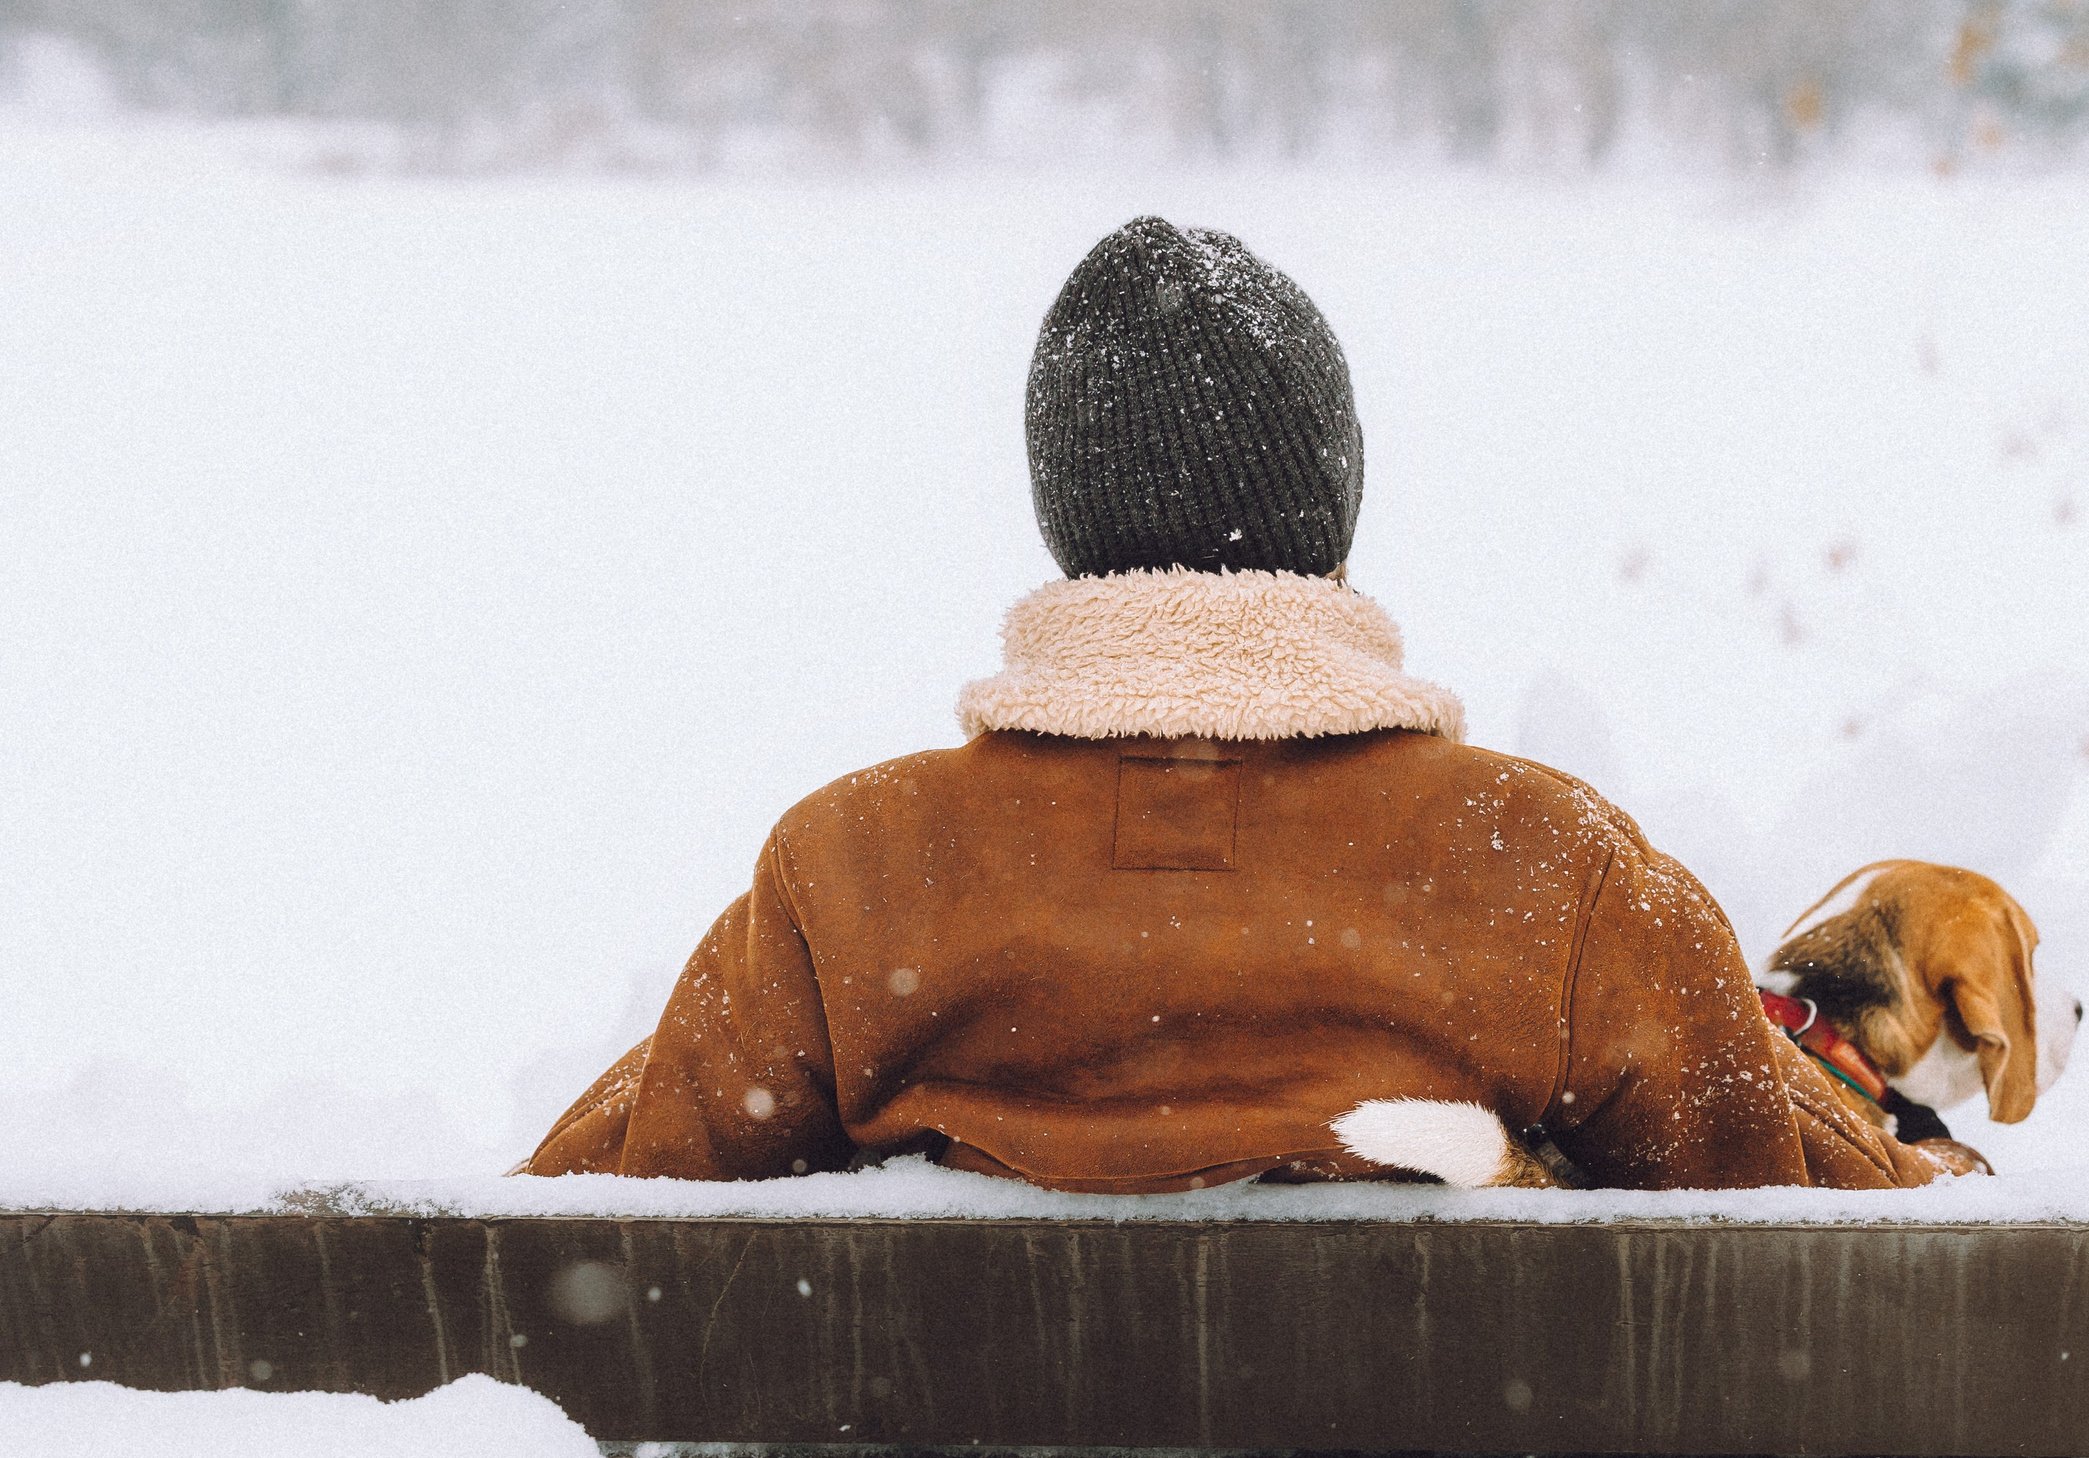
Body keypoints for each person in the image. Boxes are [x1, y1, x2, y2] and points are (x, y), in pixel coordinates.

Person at [519, 216, 1941, 1194]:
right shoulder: (1545, 866)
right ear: (1333, 508)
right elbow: (1806, 1238)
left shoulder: (856, 873)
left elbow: (599, 1228)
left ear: (1065, 516)